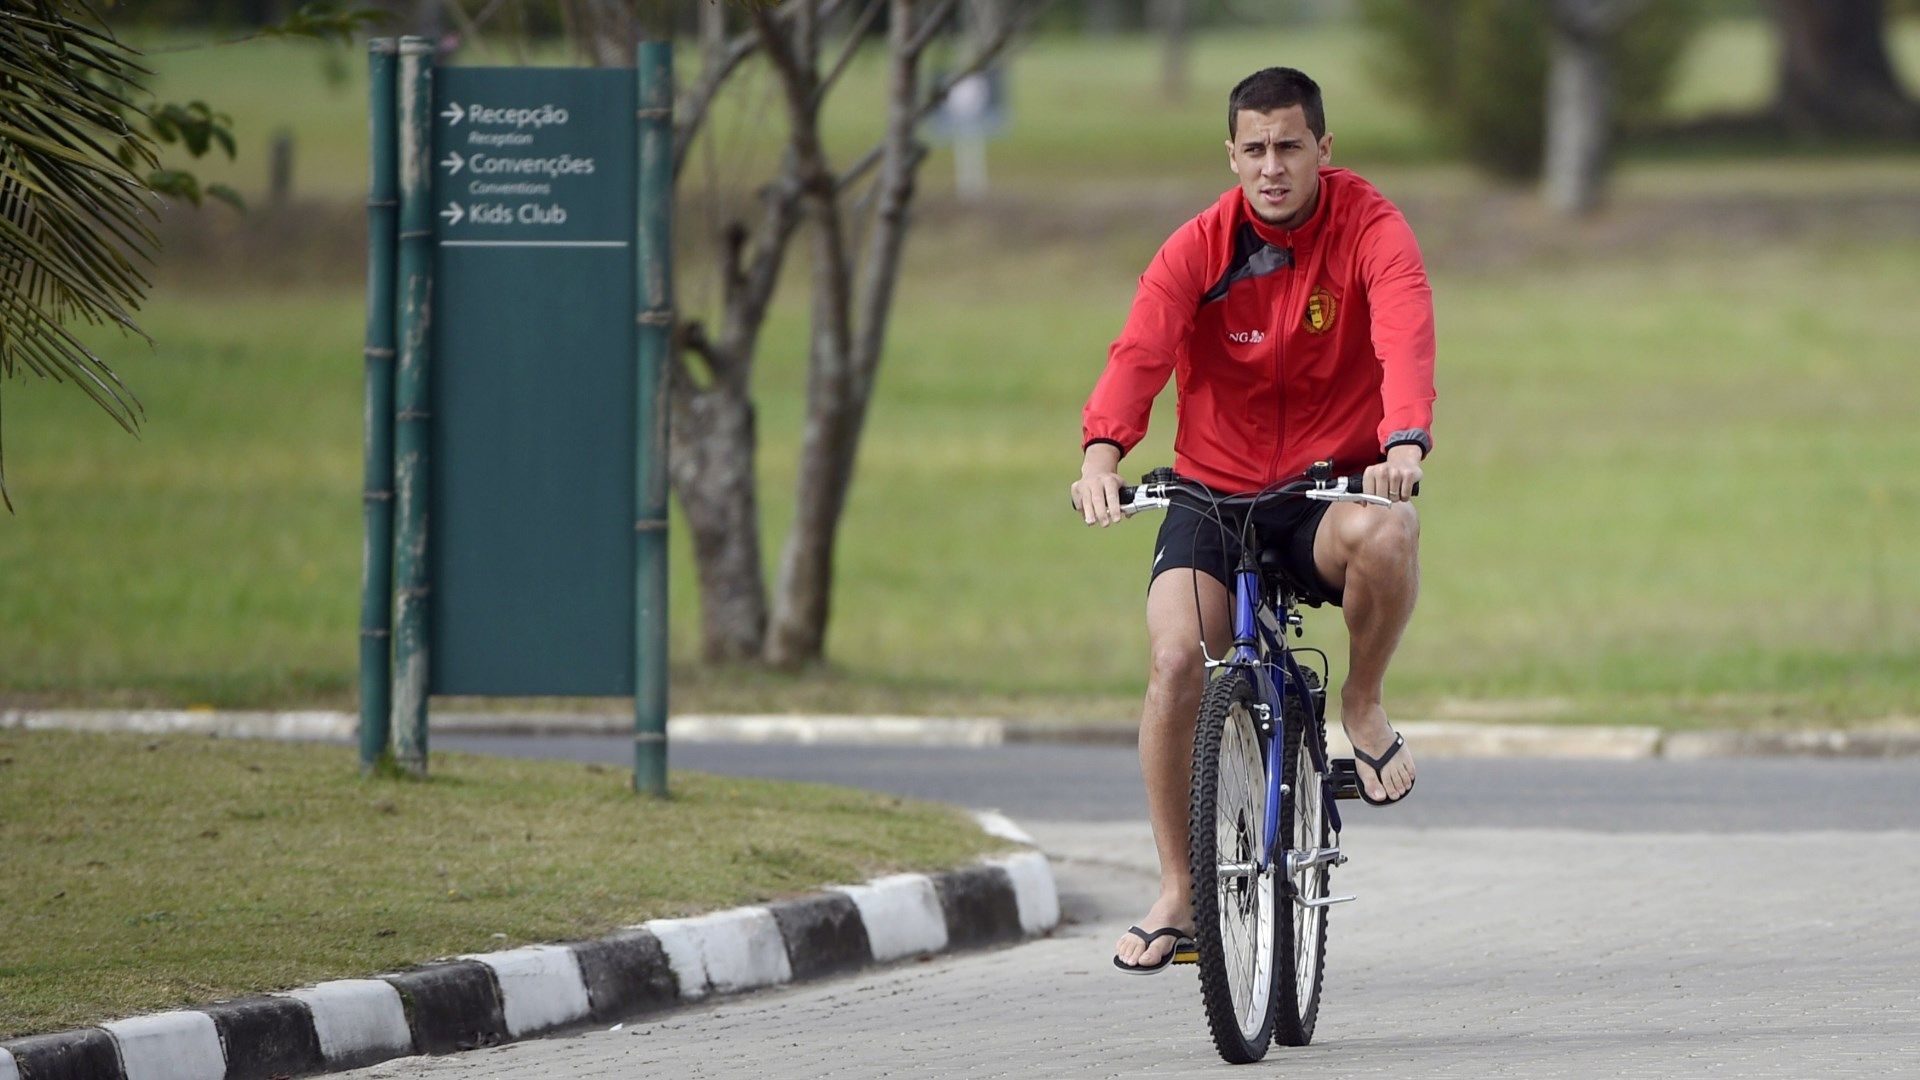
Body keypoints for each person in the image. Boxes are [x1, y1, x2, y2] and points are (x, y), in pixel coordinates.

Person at [1069, 67, 1435, 975]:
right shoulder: (1198, 246)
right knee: (1172, 664)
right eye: (1255, 150)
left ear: (1323, 148)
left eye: (1290, 147)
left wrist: (1404, 444)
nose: (1273, 168)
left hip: (1322, 492)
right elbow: (1141, 349)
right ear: (1232, 154)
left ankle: (1361, 701)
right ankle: (1179, 892)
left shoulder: (1369, 228)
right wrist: (1102, 455)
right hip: (1213, 491)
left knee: (1390, 535)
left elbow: (1404, 327)